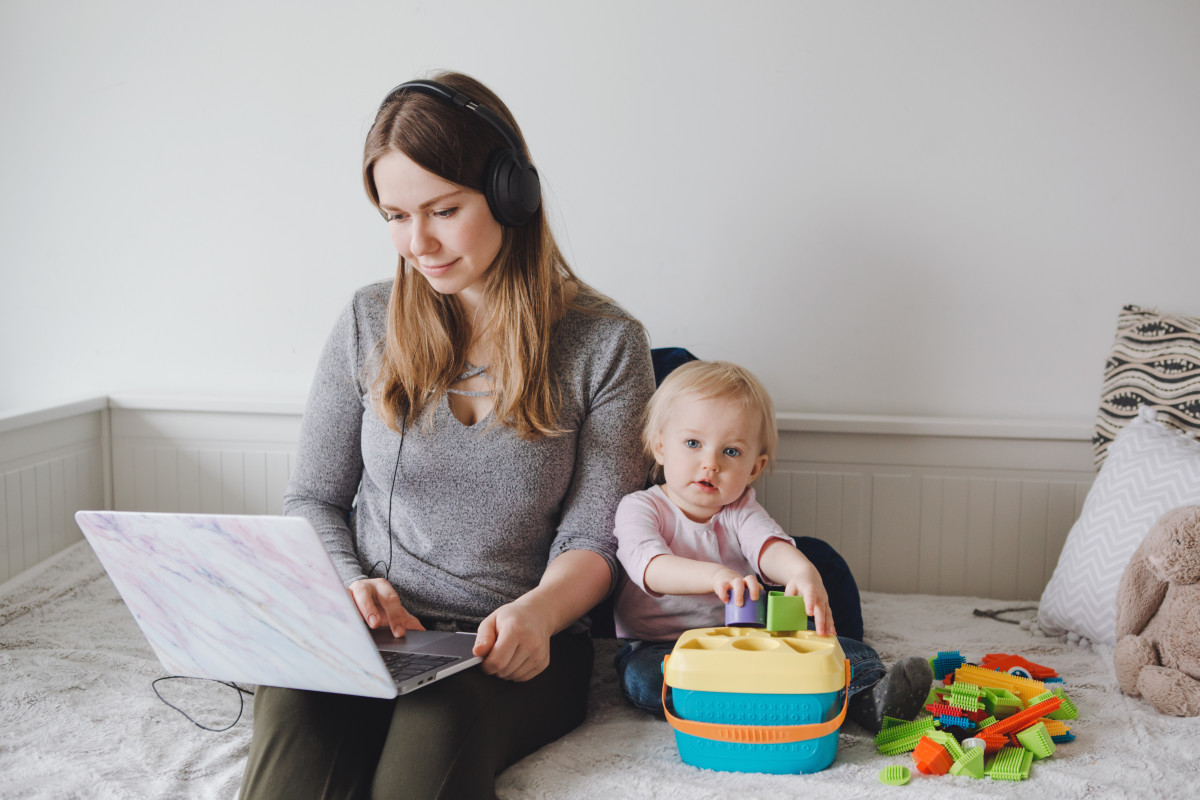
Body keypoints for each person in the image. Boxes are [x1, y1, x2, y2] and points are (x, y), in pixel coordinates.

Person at [238, 71, 655, 800]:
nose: (417, 243)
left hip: (519, 646)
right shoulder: (368, 321)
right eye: (395, 216)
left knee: (421, 760)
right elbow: (312, 497)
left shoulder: (608, 344)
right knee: (291, 749)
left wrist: (537, 613)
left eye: (442, 210)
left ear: (509, 195)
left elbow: (597, 541)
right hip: (369, 631)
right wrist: (351, 584)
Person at [611, 360, 931, 732]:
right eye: (693, 443)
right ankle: (746, 703)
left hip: (746, 640)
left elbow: (769, 546)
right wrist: (714, 575)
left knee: (842, 651)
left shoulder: (739, 508)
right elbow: (649, 566)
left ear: (754, 468)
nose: (710, 463)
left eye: (731, 452)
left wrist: (802, 573)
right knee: (645, 679)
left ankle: (867, 697)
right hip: (662, 645)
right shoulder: (640, 507)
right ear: (660, 446)